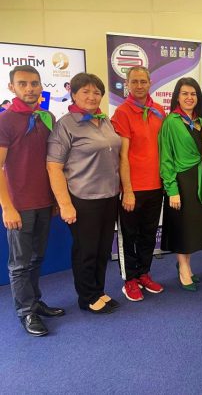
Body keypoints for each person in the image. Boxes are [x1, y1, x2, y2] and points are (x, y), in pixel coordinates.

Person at [47, 73, 121, 314]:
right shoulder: (65, 125)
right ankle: (87, 297)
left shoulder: (104, 120)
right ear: (73, 94)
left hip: (109, 196)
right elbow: (54, 167)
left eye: (96, 92)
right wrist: (65, 204)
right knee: (86, 250)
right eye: (85, 92)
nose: (92, 96)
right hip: (83, 198)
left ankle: (98, 290)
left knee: (102, 249)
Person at [0, 65, 64, 337]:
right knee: (19, 264)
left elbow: (52, 162)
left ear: (41, 87)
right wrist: (7, 207)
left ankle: (35, 302)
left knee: (37, 258)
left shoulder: (46, 117)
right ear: (12, 87)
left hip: (44, 201)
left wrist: (56, 199)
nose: (29, 88)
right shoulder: (5, 120)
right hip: (20, 205)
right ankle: (25, 311)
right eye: (23, 84)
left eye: (34, 83)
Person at [111, 66, 166, 302]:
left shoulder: (159, 111)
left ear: (150, 82)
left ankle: (144, 273)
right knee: (129, 236)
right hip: (132, 189)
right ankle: (130, 279)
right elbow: (122, 155)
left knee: (148, 234)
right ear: (127, 84)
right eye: (134, 81)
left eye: (143, 81)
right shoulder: (122, 113)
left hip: (156, 186)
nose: (139, 85)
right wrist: (128, 191)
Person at [159, 77, 202, 292]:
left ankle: (185, 264)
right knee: (182, 226)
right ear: (177, 97)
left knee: (191, 227)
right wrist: (172, 189)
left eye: (193, 94)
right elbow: (166, 158)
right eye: (185, 94)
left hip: (199, 180)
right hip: (180, 181)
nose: (189, 98)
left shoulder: (201, 122)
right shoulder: (171, 122)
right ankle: (183, 268)